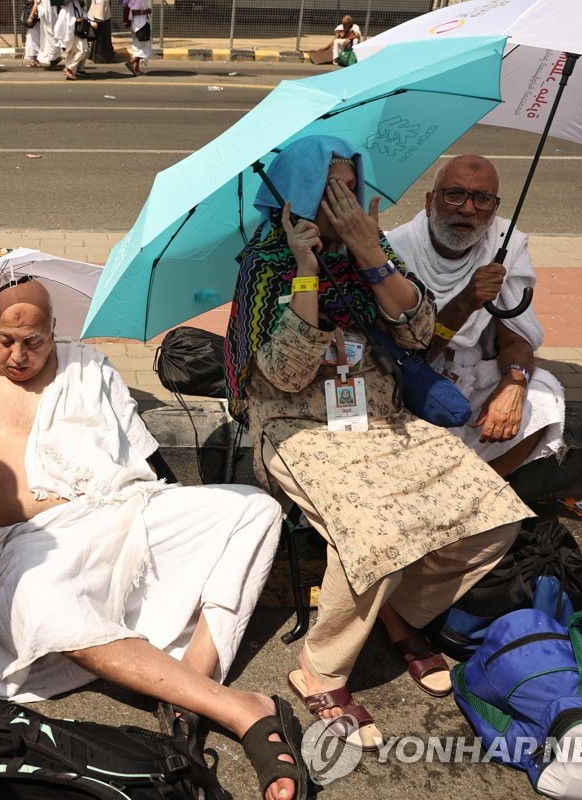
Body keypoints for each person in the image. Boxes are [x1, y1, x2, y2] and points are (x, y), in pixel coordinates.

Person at [0, 278, 307, 799]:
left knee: (255, 509)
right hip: (38, 539)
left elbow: (139, 457)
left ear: (54, 330)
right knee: (42, 611)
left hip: (121, 507)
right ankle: (236, 707)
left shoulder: (87, 367)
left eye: (34, 341)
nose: (19, 354)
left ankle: (190, 683)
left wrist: (181, 519)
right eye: (6, 339)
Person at [225, 136, 529, 750]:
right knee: (379, 532)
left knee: (494, 516)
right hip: (297, 425)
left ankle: (400, 612)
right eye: (328, 187)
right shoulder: (265, 262)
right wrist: (307, 274)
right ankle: (322, 666)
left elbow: (420, 335)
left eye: (351, 186)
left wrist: (369, 254)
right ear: (296, 195)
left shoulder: (373, 247)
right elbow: (281, 376)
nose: (344, 200)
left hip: (379, 413)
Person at [387, 155, 566, 479]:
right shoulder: (395, 251)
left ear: (494, 208)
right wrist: (466, 300)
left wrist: (514, 383)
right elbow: (412, 355)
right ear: (430, 202)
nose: (468, 209)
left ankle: (482, 494)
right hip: (412, 376)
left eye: (482, 199)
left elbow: (516, 337)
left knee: (543, 392)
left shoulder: (504, 245)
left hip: (471, 373)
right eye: (454, 194)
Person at [122, 0, 151, 76]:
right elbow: (134, 11)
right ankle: (131, 62)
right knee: (146, 46)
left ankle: (136, 69)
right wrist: (146, 11)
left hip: (136, 25)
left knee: (137, 47)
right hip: (141, 25)